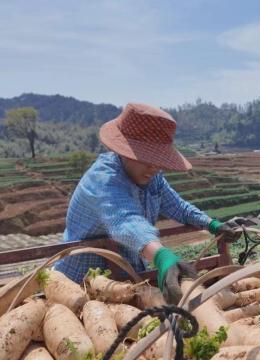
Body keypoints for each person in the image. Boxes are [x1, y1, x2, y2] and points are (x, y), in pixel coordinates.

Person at [53, 103, 242, 304]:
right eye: (146, 158)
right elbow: (126, 221)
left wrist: (211, 224)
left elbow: (178, 207)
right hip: (82, 287)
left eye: (158, 159)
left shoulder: (153, 178)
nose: (154, 166)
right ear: (125, 150)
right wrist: (161, 256)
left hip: (129, 282)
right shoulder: (103, 179)